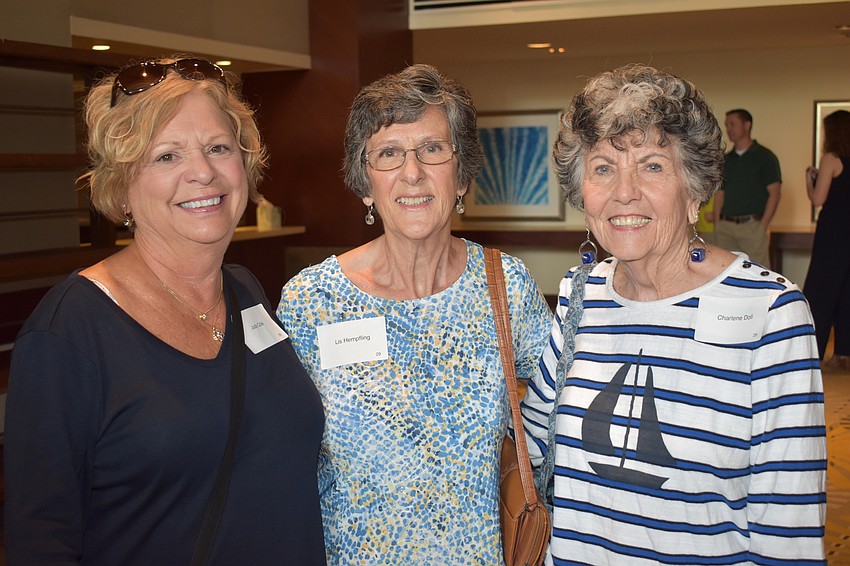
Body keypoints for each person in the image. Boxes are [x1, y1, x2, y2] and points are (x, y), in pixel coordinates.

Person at [4, 56, 326, 565]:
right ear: (122, 186)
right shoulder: (70, 332)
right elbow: (40, 538)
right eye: (167, 156)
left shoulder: (247, 293)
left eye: (219, 148)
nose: (202, 172)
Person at [522, 64, 826, 565]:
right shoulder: (580, 296)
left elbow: (787, 528)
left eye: (652, 165)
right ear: (583, 194)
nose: (624, 191)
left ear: (696, 191)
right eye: (602, 167)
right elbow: (529, 449)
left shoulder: (772, 314)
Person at [276, 64, 551, 564]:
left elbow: (555, 423)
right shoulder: (311, 301)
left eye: (432, 149)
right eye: (388, 154)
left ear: (462, 173)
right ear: (365, 184)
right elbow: (277, 459)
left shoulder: (506, 287)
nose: (412, 172)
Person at [803, 109, 850, 370]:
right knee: (846, 293)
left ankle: (815, 354)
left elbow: (819, 199)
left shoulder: (831, 158)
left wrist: (809, 181)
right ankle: (844, 354)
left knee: (819, 292)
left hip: (833, 233)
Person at [711, 108, 782, 267]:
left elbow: (775, 194)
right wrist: (717, 224)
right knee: (725, 273)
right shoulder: (725, 160)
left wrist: (762, 226)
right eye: (726, 125)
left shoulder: (765, 157)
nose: (728, 129)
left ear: (747, 125)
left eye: (732, 124)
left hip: (752, 226)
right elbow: (720, 194)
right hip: (726, 227)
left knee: (758, 273)